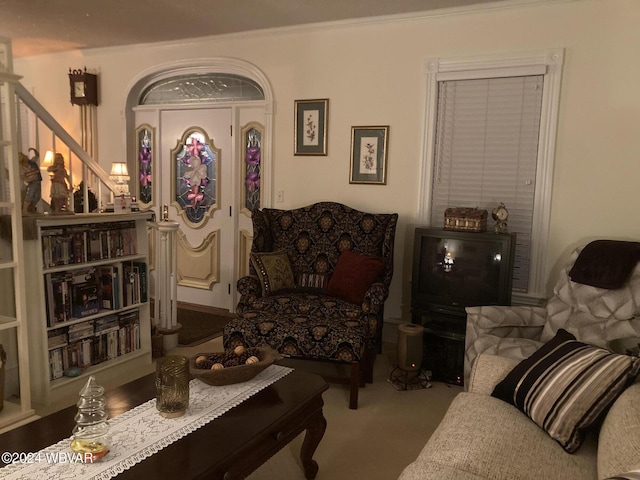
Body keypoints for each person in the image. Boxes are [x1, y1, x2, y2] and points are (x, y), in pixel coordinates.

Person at [20, 148, 42, 214]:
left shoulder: (32, 162)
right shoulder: (22, 167)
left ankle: (31, 209)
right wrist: (33, 173)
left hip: (37, 181)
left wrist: (33, 150)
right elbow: (23, 176)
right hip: (32, 182)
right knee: (30, 195)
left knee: (37, 196)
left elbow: (37, 156)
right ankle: (24, 210)